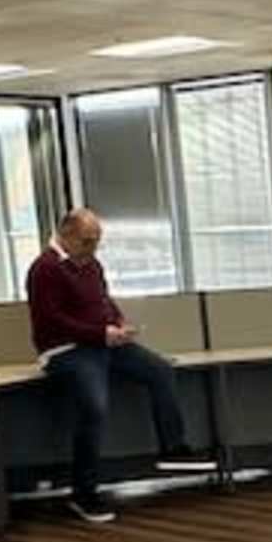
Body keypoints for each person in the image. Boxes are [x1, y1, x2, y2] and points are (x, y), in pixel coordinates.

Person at [25, 207, 192, 524]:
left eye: (97, 241)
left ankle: (173, 449)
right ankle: (83, 494)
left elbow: (103, 300)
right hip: (66, 350)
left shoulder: (91, 264)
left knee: (160, 370)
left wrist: (117, 323)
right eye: (88, 241)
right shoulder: (45, 268)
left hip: (103, 342)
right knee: (94, 406)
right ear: (67, 235)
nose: (93, 248)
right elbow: (51, 321)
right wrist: (99, 334)